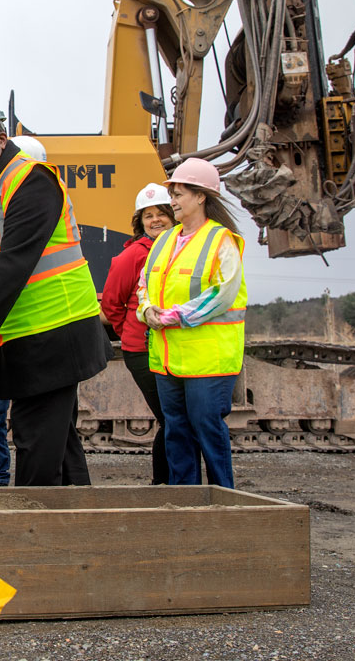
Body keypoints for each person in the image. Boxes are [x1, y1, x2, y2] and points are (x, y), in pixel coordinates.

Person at [0, 92, 109, 487]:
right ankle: (77, 524)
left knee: (35, 442)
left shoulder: (31, 182)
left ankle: (31, 530)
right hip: (29, 333)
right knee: (59, 445)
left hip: (56, 332)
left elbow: (11, 268)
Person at [137, 157, 247, 489]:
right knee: (176, 430)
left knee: (207, 428)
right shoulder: (164, 241)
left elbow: (223, 293)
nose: (172, 202)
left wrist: (175, 316)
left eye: (179, 194)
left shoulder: (221, 240)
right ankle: (183, 498)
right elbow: (145, 285)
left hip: (208, 360)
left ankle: (223, 496)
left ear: (201, 196)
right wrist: (147, 310)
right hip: (168, 359)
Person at [101, 182, 175, 484]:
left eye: (161, 214)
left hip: (173, 345)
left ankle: (177, 482)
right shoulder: (134, 256)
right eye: (148, 216)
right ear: (140, 222)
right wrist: (131, 331)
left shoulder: (181, 249)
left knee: (177, 419)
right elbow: (111, 303)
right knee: (172, 419)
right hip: (143, 350)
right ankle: (164, 484)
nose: (155, 220)